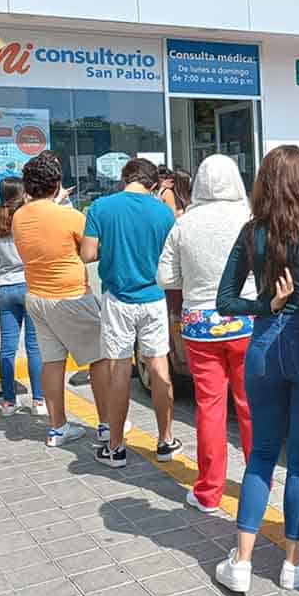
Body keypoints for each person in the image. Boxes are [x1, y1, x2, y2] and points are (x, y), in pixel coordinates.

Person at [214, 145, 299, 593]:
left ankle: (242, 562)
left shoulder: (253, 233)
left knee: (262, 454)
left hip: (264, 345)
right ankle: (294, 561)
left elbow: (224, 300)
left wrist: (264, 303)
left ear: (264, 183)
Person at [157, 154, 253, 512]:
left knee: (209, 407)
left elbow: (165, 278)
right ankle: (259, 481)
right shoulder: (249, 218)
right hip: (246, 321)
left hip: (200, 324)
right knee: (249, 405)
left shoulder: (184, 223)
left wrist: (193, 281)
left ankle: (209, 491)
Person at [79, 158, 178, 470]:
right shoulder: (163, 211)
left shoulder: (101, 208)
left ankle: (115, 447)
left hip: (118, 299)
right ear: (151, 184)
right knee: (160, 367)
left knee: (119, 370)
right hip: (153, 297)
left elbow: (87, 254)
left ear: (124, 179)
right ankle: (165, 441)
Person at [12, 152, 110, 448]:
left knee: (52, 362)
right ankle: (106, 425)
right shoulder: (70, 216)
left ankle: (57, 428)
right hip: (71, 296)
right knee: (100, 359)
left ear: (28, 187)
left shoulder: (19, 216)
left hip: (37, 298)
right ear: (57, 184)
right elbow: (92, 251)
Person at [0, 177, 45, 418]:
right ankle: (38, 400)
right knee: (33, 346)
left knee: (7, 348)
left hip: (4, 288)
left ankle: (9, 402)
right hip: (28, 284)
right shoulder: (27, 220)